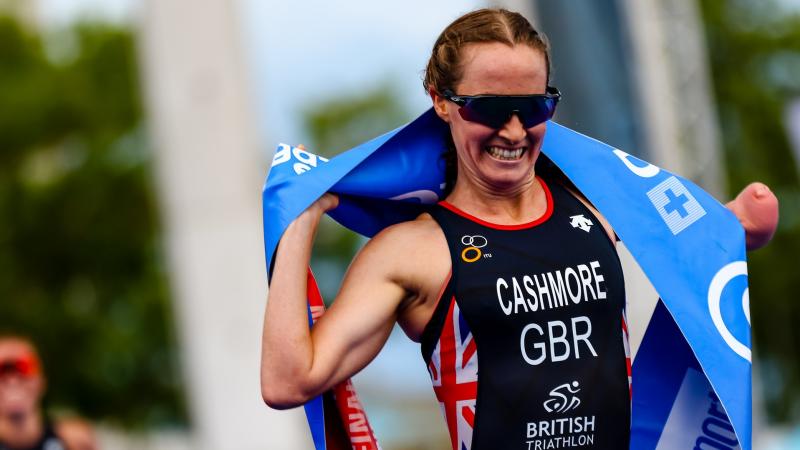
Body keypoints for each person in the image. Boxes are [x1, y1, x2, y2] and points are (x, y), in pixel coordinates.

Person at [260, 8, 778, 449]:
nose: (513, 131)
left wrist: (738, 226)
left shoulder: (599, 207)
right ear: (441, 101)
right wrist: (301, 216)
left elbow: (710, 241)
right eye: (490, 109)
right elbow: (288, 380)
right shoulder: (413, 252)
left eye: (533, 109)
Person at [0, 335, 97, 450]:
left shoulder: (73, 442)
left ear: (41, 382)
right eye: (2, 372)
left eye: (23, 368)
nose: (12, 381)